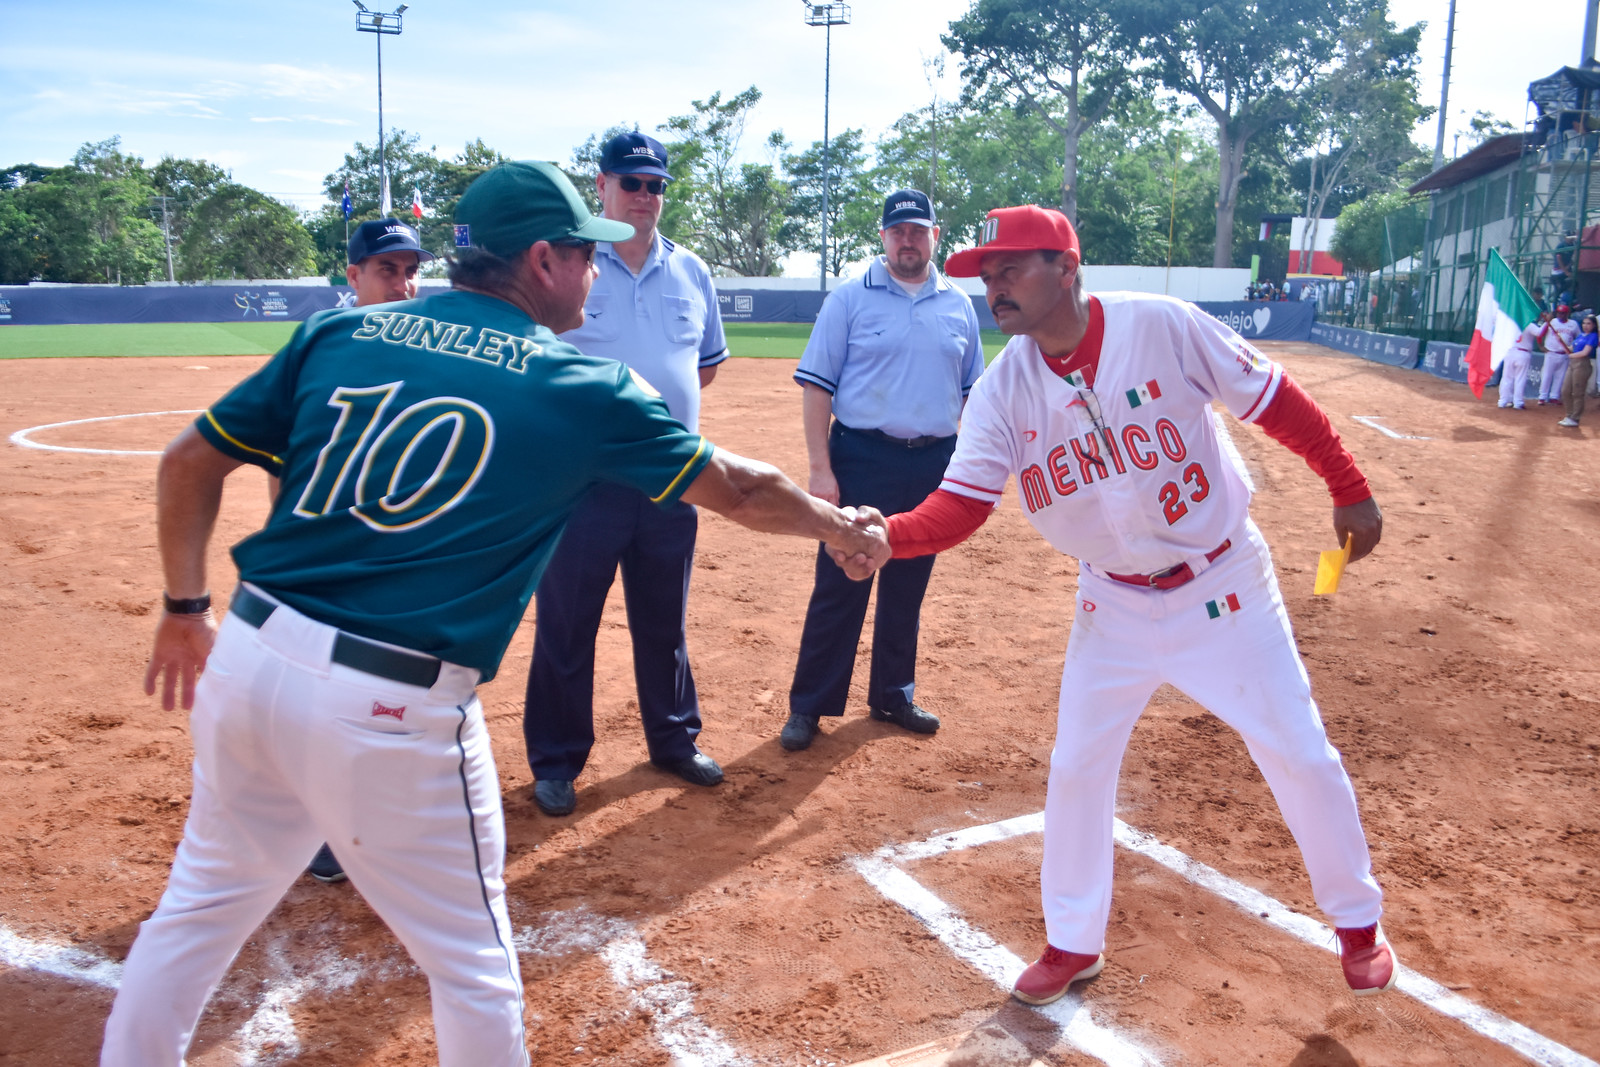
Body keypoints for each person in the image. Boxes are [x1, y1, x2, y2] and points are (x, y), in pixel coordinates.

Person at [101, 161, 887, 1067]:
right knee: (471, 962)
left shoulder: (337, 335)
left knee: (197, 911)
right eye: (586, 254)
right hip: (391, 705)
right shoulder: (579, 384)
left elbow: (187, 462)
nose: (597, 270)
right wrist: (837, 524)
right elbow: (741, 490)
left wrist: (182, 607)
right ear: (542, 260)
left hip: (245, 659)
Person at [838, 205, 1396, 1004]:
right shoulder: (1004, 389)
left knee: (1298, 750)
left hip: (1224, 585)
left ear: (1066, 267)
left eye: (1009, 269)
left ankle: (1357, 924)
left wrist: (1348, 484)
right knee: (1077, 766)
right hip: (1112, 606)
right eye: (985, 276)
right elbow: (962, 503)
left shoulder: (1162, 327)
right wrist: (891, 535)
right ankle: (1072, 940)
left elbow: (1273, 400)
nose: (992, 288)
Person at [521, 133, 729, 818]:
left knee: (663, 623)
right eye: (632, 183)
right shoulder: (574, 263)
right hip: (585, 483)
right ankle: (556, 762)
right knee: (568, 623)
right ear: (603, 185)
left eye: (656, 185)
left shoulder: (691, 270)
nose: (645, 196)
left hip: (672, 478)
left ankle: (673, 739)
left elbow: (702, 364)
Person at [779, 188, 985, 752]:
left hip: (933, 464)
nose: (908, 240)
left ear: (934, 236)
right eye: (898, 231)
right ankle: (810, 705)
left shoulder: (958, 304)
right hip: (861, 456)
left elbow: (973, 395)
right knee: (842, 578)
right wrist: (821, 470)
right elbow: (817, 389)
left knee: (908, 583)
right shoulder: (850, 299)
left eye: (918, 230)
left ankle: (892, 694)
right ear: (884, 237)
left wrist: (967, 468)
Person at [301, 218, 437, 884]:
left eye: (411, 271)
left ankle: (384, 815)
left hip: (412, 550)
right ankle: (326, 829)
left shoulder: (433, 348)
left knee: (399, 688)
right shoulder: (324, 346)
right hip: (340, 549)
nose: (404, 284)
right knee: (338, 689)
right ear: (352, 277)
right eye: (388, 270)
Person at [1498, 312, 1546, 410]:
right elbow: (1540, 332)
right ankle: (1518, 402)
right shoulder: (1529, 324)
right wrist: (1547, 322)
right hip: (1523, 353)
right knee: (1520, 379)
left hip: (1510, 352)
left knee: (1506, 378)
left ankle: (1503, 401)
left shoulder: (1511, 323)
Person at [1558, 313, 1598, 426]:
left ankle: (1575, 418)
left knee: (1577, 392)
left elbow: (1585, 352)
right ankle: (1569, 414)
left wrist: (1571, 355)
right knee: (1565, 390)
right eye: (1584, 323)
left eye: (1589, 323)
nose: (1586, 326)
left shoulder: (1593, 336)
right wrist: (1561, 341)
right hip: (1573, 363)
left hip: (1582, 364)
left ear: (1594, 325)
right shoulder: (1581, 335)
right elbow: (1571, 348)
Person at [1538, 303, 1579, 404]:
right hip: (1551, 353)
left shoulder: (1573, 324)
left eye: (1563, 313)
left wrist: (1573, 348)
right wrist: (1541, 346)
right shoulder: (1552, 322)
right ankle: (1542, 397)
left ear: (1567, 314)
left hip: (1564, 354)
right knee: (1546, 375)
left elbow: (1578, 338)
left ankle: (1554, 396)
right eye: (1559, 313)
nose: (1560, 315)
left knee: (1560, 376)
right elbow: (1540, 334)